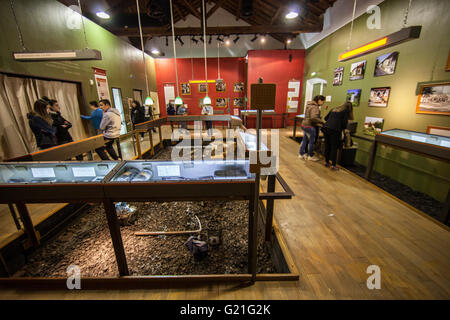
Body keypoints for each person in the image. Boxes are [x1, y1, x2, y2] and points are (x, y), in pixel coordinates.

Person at [43, 96, 83, 160]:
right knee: (67, 157)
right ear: (51, 107)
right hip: (61, 139)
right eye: (56, 105)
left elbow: (69, 124)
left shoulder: (58, 115)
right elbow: (57, 128)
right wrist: (62, 126)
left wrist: (64, 126)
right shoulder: (51, 117)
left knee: (78, 153)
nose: (59, 107)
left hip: (68, 137)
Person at [322, 101, 353, 170]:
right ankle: (333, 165)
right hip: (335, 130)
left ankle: (326, 162)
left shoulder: (334, 109)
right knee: (334, 147)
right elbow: (344, 123)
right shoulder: (346, 111)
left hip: (326, 128)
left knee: (327, 146)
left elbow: (325, 118)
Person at [299, 95, 325, 161]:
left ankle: (301, 154)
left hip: (304, 124)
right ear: (319, 100)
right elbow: (313, 118)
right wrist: (322, 122)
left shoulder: (309, 105)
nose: (323, 103)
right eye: (323, 102)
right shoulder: (315, 107)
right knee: (311, 142)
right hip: (310, 126)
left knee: (304, 140)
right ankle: (310, 155)